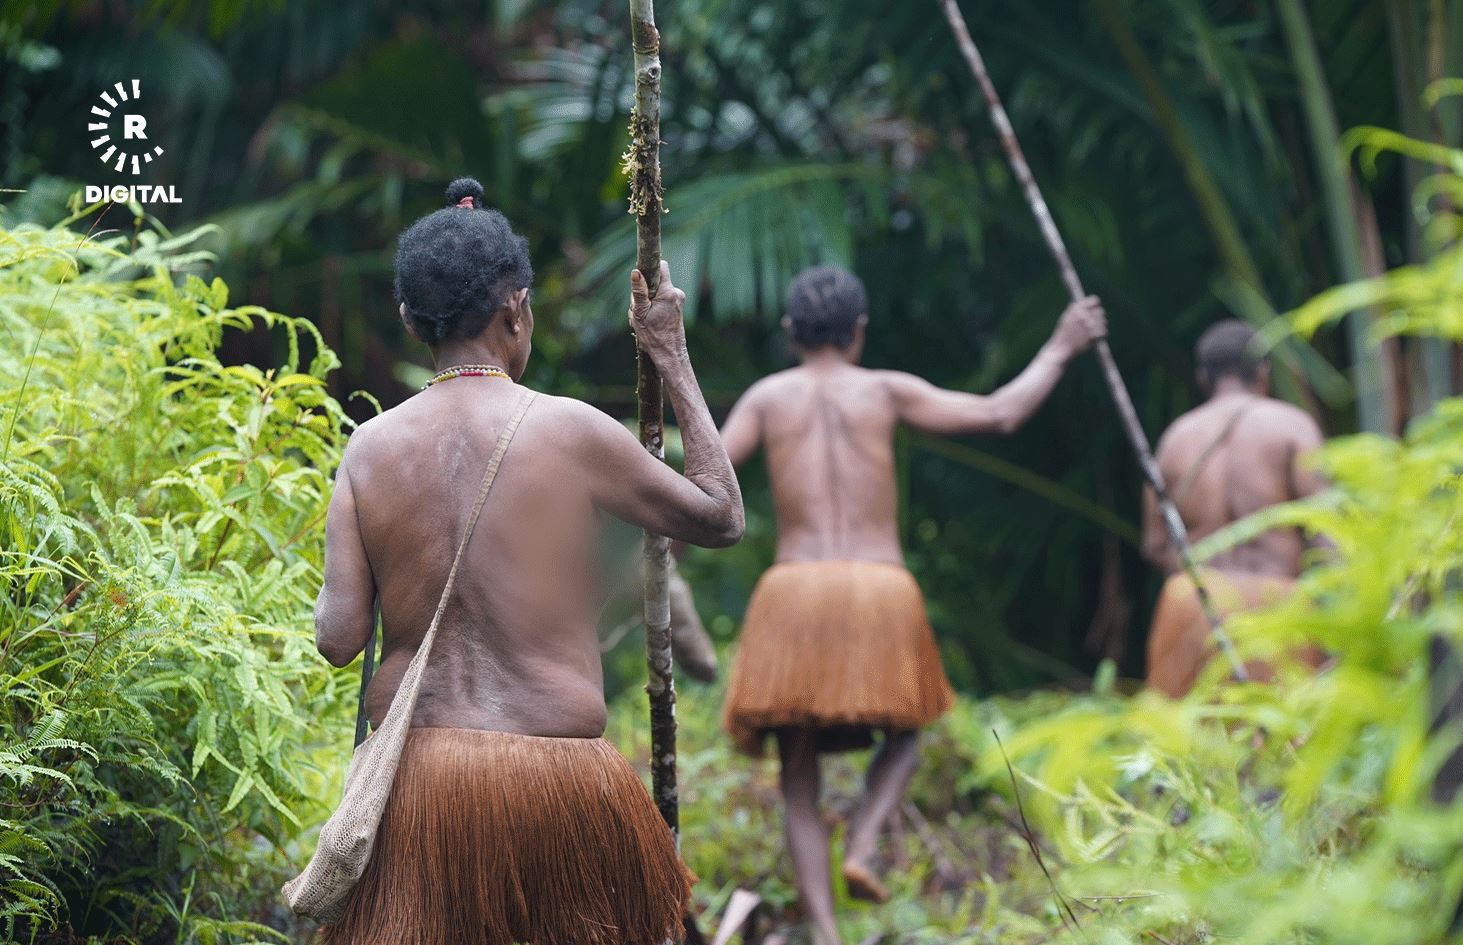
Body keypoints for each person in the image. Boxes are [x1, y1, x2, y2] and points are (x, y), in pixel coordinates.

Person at [313, 178, 743, 945]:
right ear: (516, 308)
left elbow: (339, 637)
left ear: (412, 318)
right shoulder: (569, 429)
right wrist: (670, 356)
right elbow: (721, 515)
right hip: (562, 786)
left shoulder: (368, 450)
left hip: (423, 794)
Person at [716, 264, 1106, 945]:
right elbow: (1000, 411)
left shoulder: (767, 398)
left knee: (797, 769)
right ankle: (864, 837)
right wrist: (1061, 345)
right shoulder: (885, 389)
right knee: (909, 727)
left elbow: (711, 478)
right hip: (878, 585)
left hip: (795, 591)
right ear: (859, 331)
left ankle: (828, 936)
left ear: (790, 332)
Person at [1140, 319, 1324, 697]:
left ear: (1204, 377)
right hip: (1279, 603)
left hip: (1193, 601)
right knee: (1290, 744)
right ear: (1262, 370)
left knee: (1181, 747)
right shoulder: (1293, 427)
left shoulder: (1175, 439)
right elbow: (1328, 534)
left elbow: (1156, 544)